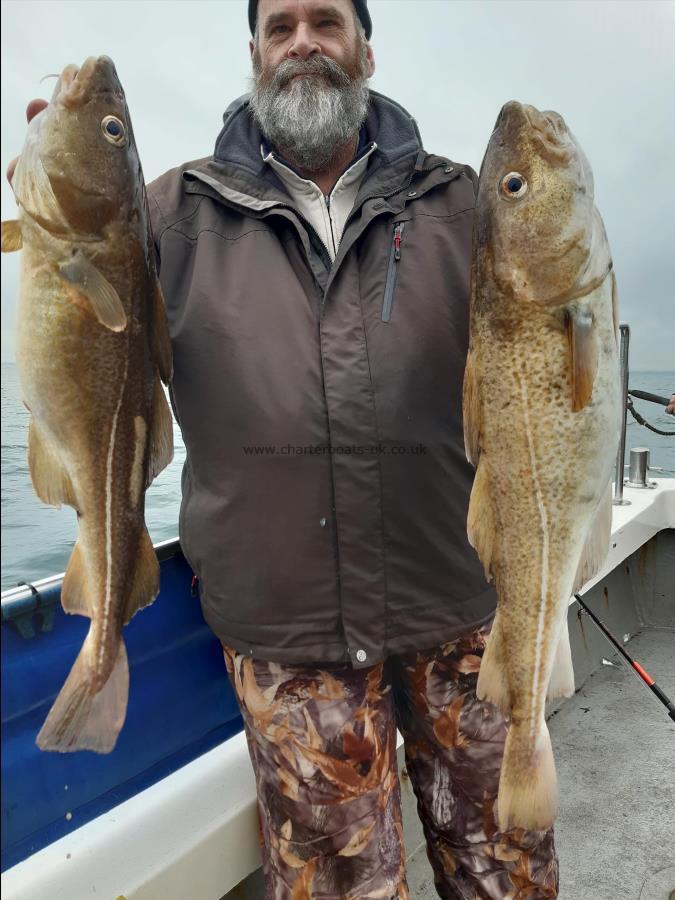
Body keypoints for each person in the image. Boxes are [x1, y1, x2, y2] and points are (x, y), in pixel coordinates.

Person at [8, 2, 558, 896]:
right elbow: (86, 316)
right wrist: (56, 196)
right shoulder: (166, 215)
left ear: (365, 50)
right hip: (286, 637)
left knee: (506, 872)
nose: (302, 42)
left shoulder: (463, 202)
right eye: (280, 27)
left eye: (326, 22)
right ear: (254, 57)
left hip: (460, 606)